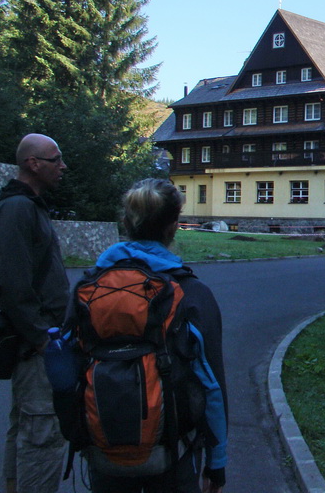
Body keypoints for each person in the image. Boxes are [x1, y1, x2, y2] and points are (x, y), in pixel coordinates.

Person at [85, 178, 228, 493]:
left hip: (104, 449)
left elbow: (68, 371)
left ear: (125, 222)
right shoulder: (191, 293)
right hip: (173, 453)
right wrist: (216, 464)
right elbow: (211, 384)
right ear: (173, 226)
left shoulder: (90, 288)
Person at [0, 133, 70, 493]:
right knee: (43, 433)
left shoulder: (25, 205)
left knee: (26, 426)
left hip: (36, 340)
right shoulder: (17, 209)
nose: (63, 166)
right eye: (55, 159)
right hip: (36, 343)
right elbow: (12, 284)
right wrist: (40, 340)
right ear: (32, 164)